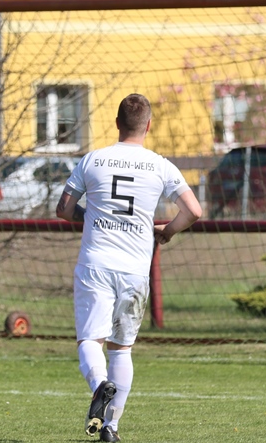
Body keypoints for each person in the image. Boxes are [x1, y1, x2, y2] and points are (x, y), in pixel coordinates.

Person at [56, 94, 201, 442]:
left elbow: (64, 209)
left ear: (117, 123)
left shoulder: (94, 159)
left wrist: (91, 216)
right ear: (148, 125)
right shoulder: (160, 166)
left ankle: (99, 385)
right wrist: (168, 231)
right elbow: (194, 211)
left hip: (96, 264)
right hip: (134, 271)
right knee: (121, 349)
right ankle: (111, 428)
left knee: (90, 340)